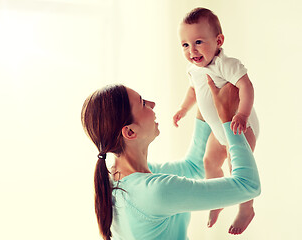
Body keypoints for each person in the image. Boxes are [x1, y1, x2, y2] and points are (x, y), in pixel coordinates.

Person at [81, 78, 260, 240]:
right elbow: (248, 186)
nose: (152, 104)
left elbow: (194, 167)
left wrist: (205, 98)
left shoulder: (121, 179)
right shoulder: (156, 191)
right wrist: (227, 118)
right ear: (130, 132)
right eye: (143, 103)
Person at [173, 7, 260, 235]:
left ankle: (246, 208)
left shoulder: (225, 64)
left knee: (237, 166)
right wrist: (183, 109)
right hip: (218, 129)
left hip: (240, 126)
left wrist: (241, 114)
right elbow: (193, 91)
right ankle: (217, 200)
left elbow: (246, 86)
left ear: (218, 40)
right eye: (185, 45)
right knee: (208, 162)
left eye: (198, 42)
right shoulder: (193, 68)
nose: (192, 50)